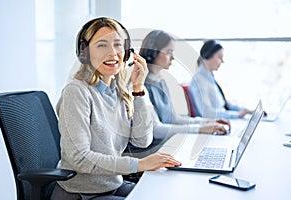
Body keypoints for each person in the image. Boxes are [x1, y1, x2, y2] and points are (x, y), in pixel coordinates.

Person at [50, 17, 181, 200]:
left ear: (127, 52)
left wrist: (138, 89)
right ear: (84, 53)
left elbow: (142, 140)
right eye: (102, 45)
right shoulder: (77, 92)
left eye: (118, 45)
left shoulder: (120, 91)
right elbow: (79, 158)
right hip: (82, 193)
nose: (112, 53)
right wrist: (139, 164)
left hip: (112, 185)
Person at [125, 30, 231, 158]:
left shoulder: (160, 81)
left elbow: (174, 119)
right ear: (153, 52)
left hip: (166, 146)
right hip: (151, 152)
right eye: (169, 52)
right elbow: (157, 130)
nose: (173, 58)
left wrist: (208, 123)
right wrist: (200, 129)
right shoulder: (140, 85)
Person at [188, 39, 253, 119]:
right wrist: (236, 115)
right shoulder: (199, 81)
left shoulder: (209, 78)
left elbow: (224, 104)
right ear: (208, 55)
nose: (222, 61)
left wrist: (245, 111)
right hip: (212, 124)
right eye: (219, 57)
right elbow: (207, 113)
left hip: (221, 120)